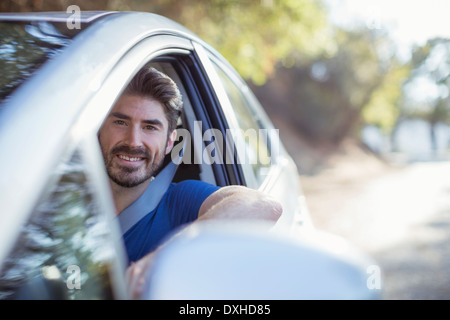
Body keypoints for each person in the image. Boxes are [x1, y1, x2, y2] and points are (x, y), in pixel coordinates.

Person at [98, 66, 282, 298]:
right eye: (121, 123)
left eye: (150, 127)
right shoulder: (64, 199)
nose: (133, 141)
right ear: (99, 129)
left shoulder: (180, 201)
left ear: (169, 142)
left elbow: (263, 206)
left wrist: (166, 257)